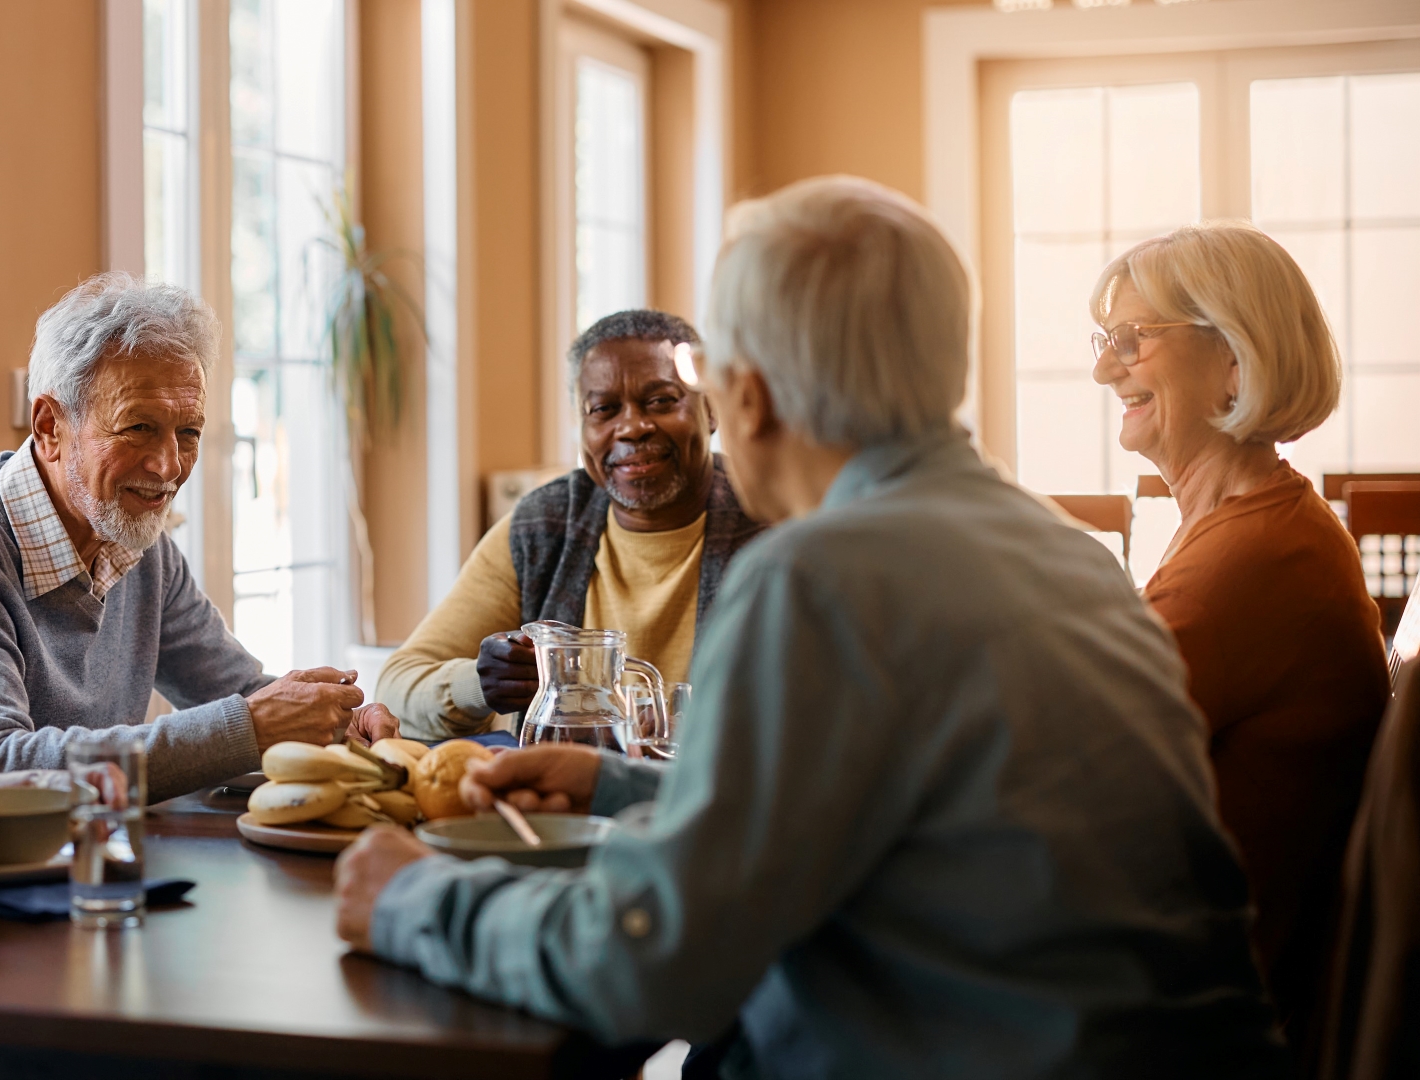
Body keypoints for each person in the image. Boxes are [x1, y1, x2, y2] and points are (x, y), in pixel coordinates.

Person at [333, 176, 1288, 1079]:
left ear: (742, 398)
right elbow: (908, 824)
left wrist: (414, 897)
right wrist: (618, 783)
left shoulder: (818, 581)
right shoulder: (1072, 554)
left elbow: (656, 961)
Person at [0, 274, 394, 799]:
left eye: (189, 433)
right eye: (138, 427)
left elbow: (239, 695)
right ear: (50, 427)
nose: (169, 466)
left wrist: (335, 717)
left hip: (80, 859)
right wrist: (249, 726)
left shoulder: (138, 545)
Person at [1088, 223, 1389, 1047]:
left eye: (1132, 340)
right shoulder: (1252, 525)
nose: (1104, 368)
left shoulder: (1251, 557)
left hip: (1188, 1026)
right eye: (1106, 341)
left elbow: (1066, 767)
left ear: (1232, 359)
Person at [376, 310, 764, 739]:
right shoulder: (544, 526)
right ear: (582, 429)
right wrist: (479, 686)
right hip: (559, 799)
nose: (632, 427)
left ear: (710, 410)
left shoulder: (771, 520)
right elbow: (396, 687)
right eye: (604, 409)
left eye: (661, 401)